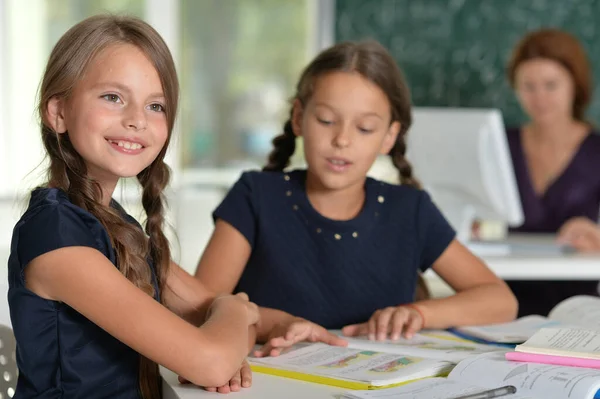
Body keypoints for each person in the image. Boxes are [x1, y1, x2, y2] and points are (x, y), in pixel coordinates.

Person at [194, 40, 517, 356]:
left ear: (389, 136)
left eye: (364, 128)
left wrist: (419, 314)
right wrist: (274, 325)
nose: (342, 140)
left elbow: (500, 300)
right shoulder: (255, 196)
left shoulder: (409, 210)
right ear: (298, 118)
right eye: (326, 121)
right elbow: (200, 305)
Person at [8, 15, 259, 398]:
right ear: (58, 112)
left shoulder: (113, 225)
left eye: (155, 105)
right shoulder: (58, 238)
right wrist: (237, 313)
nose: (137, 120)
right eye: (113, 97)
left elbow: (208, 310)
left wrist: (259, 322)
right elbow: (211, 357)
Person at [505, 28, 600, 316]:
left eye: (551, 85)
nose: (540, 97)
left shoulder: (596, 150)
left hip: (578, 302)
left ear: (575, 85)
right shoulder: (499, 145)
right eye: (528, 86)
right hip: (507, 297)